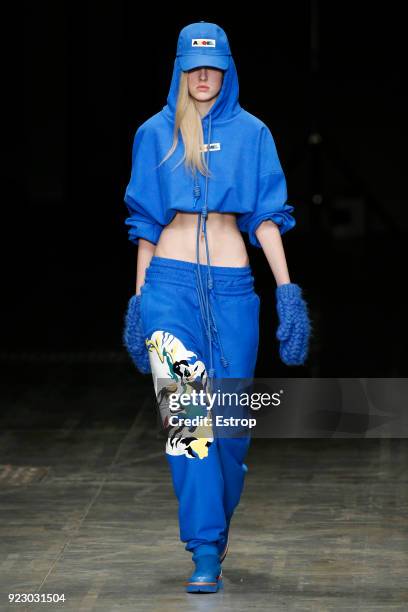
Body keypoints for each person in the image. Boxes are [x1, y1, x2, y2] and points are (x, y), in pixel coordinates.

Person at [122, 21, 311, 594]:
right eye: (193, 66)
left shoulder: (254, 134)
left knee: (227, 429)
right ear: (180, 69)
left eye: (214, 66)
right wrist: (138, 301)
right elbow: (146, 223)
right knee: (189, 426)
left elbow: (267, 215)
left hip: (232, 292)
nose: (204, 75)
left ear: (227, 70)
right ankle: (204, 549)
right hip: (168, 289)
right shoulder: (154, 134)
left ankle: (214, 530)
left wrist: (286, 291)